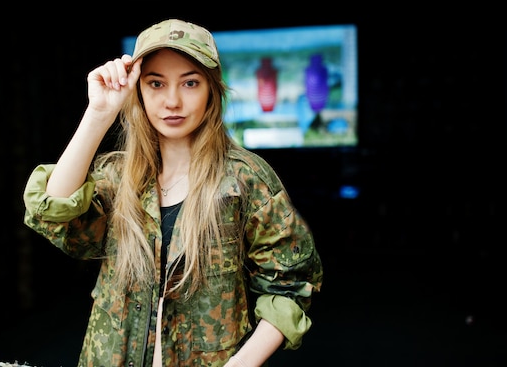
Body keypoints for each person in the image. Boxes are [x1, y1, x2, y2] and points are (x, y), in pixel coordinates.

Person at [22, 18, 323, 367]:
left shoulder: (245, 179)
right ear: (139, 91)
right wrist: (99, 112)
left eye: (190, 83)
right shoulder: (118, 177)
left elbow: (292, 285)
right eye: (156, 83)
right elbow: (53, 211)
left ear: (212, 89)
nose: (172, 101)